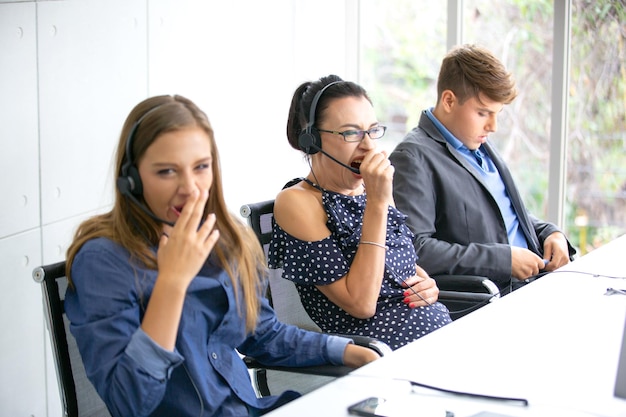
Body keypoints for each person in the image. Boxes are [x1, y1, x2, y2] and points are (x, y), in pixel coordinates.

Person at [63, 94, 379, 417]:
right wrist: (172, 283)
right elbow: (129, 402)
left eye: (201, 167)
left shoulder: (225, 240)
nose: (191, 188)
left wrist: (351, 352)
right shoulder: (102, 261)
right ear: (131, 179)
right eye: (166, 172)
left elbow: (263, 334)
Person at [268, 75, 452, 351]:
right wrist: (377, 204)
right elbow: (362, 303)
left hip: (434, 336)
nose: (368, 146)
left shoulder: (370, 189)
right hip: (377, 353)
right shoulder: (297, 202)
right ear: (313, 140)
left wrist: (426, 285)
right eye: (351, 133)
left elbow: (395, 265)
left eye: (373, 130)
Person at [389, 44, 576, 295]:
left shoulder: (476, 142)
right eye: (483, 113)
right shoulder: (412, 157)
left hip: (538, 281)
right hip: (497, 295)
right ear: (448, 101)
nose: (493, 126)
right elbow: (416, 249)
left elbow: (503, 213)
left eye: (497, 114)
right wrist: (503, 260)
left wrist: (550, 233)